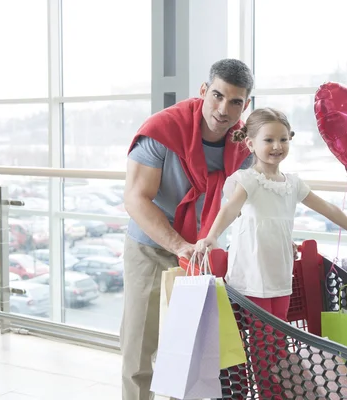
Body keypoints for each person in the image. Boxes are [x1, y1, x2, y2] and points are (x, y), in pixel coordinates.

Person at [195, 107, 347, 398]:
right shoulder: (248, 181)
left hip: (280, 275)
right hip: (251, 278)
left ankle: (281, 393)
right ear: (251, 143)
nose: (277, 147)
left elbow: (327, 208)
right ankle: (270, 394)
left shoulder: (292, 184)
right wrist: (211, 236)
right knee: (261, 343)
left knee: (279, 341)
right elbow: (229, 209)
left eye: (283, 139)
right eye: (268, 140)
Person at [120, 58, 254, 400]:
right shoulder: (164, 129)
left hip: (201, 253)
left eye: (235, 101)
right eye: (218, 96)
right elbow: (136, 199)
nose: (224, 110)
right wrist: (178, 245)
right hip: (151, 246)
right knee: (140, 348)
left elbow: (250, 204)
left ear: (246, 105)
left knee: (190, 353)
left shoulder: (245, 146)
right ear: (203, 91)